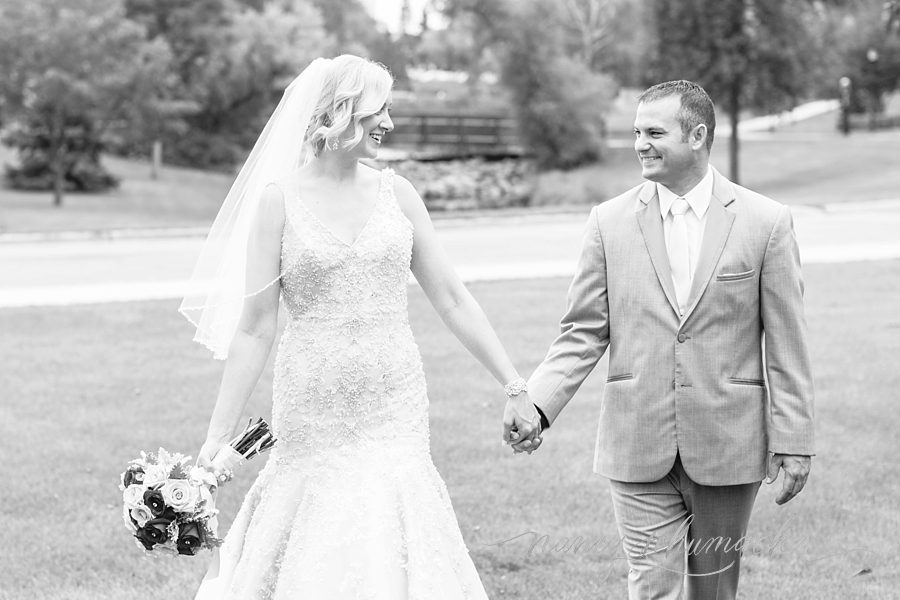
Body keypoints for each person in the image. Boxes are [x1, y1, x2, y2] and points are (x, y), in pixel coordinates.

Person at [180, 55, 540, 598]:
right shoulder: (278, 201)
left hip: (394, 402)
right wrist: (217, 434)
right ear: (338, 111)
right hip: (312, 406)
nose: (389, 123)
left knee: (393, 516)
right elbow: (255, 328)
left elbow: (452, 298)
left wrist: (515, 385)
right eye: (379, 109)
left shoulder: (400, 195)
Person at [505, 80, 815, 599]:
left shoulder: (766, 223)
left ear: (697, 135)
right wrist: (536, 404)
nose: (640, 145)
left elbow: (788, 344)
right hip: (636, 438)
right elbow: (583, 331)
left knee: (714, 591)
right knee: (652, 588)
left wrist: (795, 441)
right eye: (636, 133)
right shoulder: (608, 222)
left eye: (654, 133)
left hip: (728, 442)